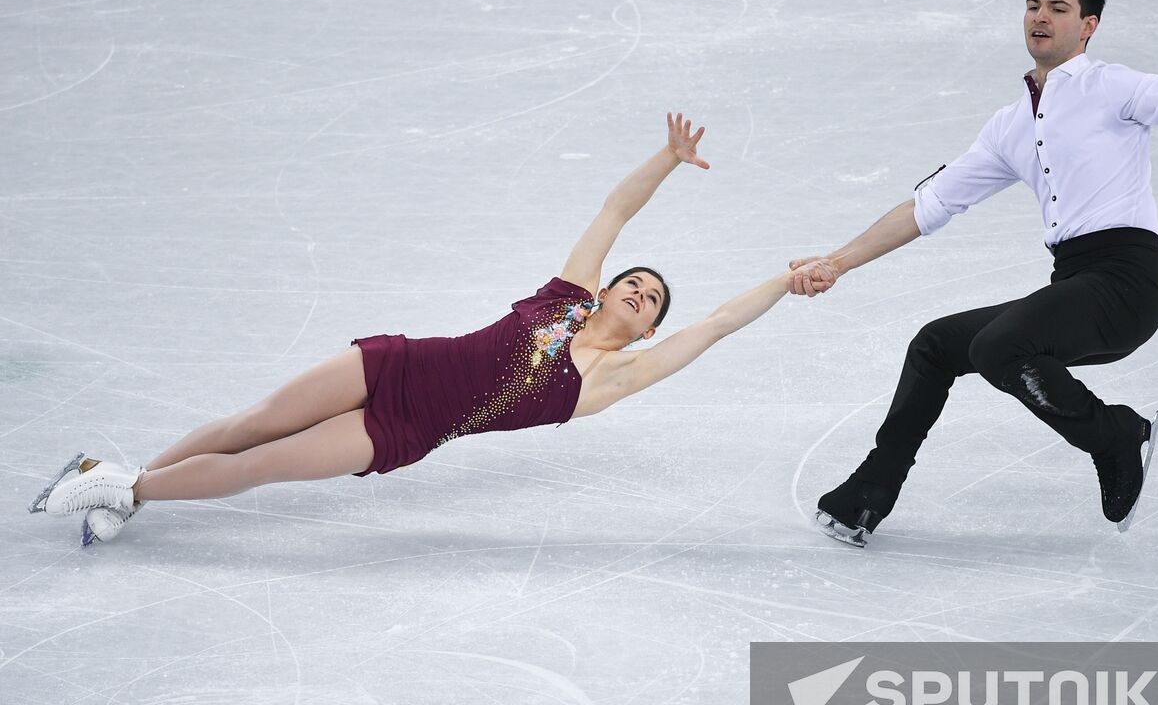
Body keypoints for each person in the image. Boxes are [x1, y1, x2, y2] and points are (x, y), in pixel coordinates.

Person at [788, 0, 1158, 547]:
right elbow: (928, 206)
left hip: (1127, 285)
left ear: (1088, 26)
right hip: (1075, 285)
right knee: (937, 344)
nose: (1041, 17)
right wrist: (836, 262)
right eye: (1033, 5)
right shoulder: (1009, 126)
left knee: (998, 346)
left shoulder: (1113, 88)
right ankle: (869, 493)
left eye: (1058, 8)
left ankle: (1116, 436)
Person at [31, 112, 793, 545]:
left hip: (405, 429)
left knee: (262, 464)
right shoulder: (568, 298)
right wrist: (666, 159)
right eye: (634, 281)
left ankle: (120, 482)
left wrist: (785, 282)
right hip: (395, 364)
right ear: (608, 287)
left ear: (650, 330)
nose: (639, 292)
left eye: (652, 299)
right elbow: (615, 211)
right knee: (251, 423)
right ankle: (129, 490)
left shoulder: (608, 380)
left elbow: (718, 324)